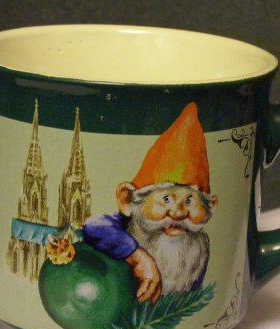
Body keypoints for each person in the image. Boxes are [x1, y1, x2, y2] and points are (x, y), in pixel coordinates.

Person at [83, 103, 218, 304]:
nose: (178, 213)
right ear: (126, 199)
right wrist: (138, 257)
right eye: (166, 199)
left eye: (189, 201)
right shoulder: (129, 225)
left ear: (210, 207)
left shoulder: (199, 246)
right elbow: (93, 225)